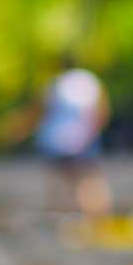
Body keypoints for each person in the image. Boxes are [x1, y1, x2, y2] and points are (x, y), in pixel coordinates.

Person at [34, 66, 112, 216]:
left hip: (59, 141)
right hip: (83, 139)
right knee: (89, 179)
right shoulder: (89, 80)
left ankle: (72, 215)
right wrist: (93, 132)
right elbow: (103, 111)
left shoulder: (55, 84)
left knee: (66, 182)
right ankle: (98, 215)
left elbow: (40, 111)